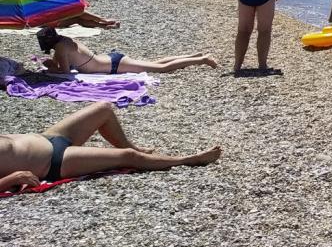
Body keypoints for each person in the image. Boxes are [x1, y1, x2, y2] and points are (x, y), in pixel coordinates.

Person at [0, 101, 221, 192]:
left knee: (103, 108)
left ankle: (135, 149)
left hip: (46, 138)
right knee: (127, 156)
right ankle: (187, 160)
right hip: (53, 162)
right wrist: (13, 179)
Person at [37, 27, 217, 74]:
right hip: (110, 59)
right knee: (156, 62)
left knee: (161, 68)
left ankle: (201, 59)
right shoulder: (65, 41)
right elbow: (69, 61)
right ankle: (194, 56)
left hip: (114, 66)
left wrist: (51, 68)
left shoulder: (59, 49)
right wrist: (53, 63)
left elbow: (66, 72)